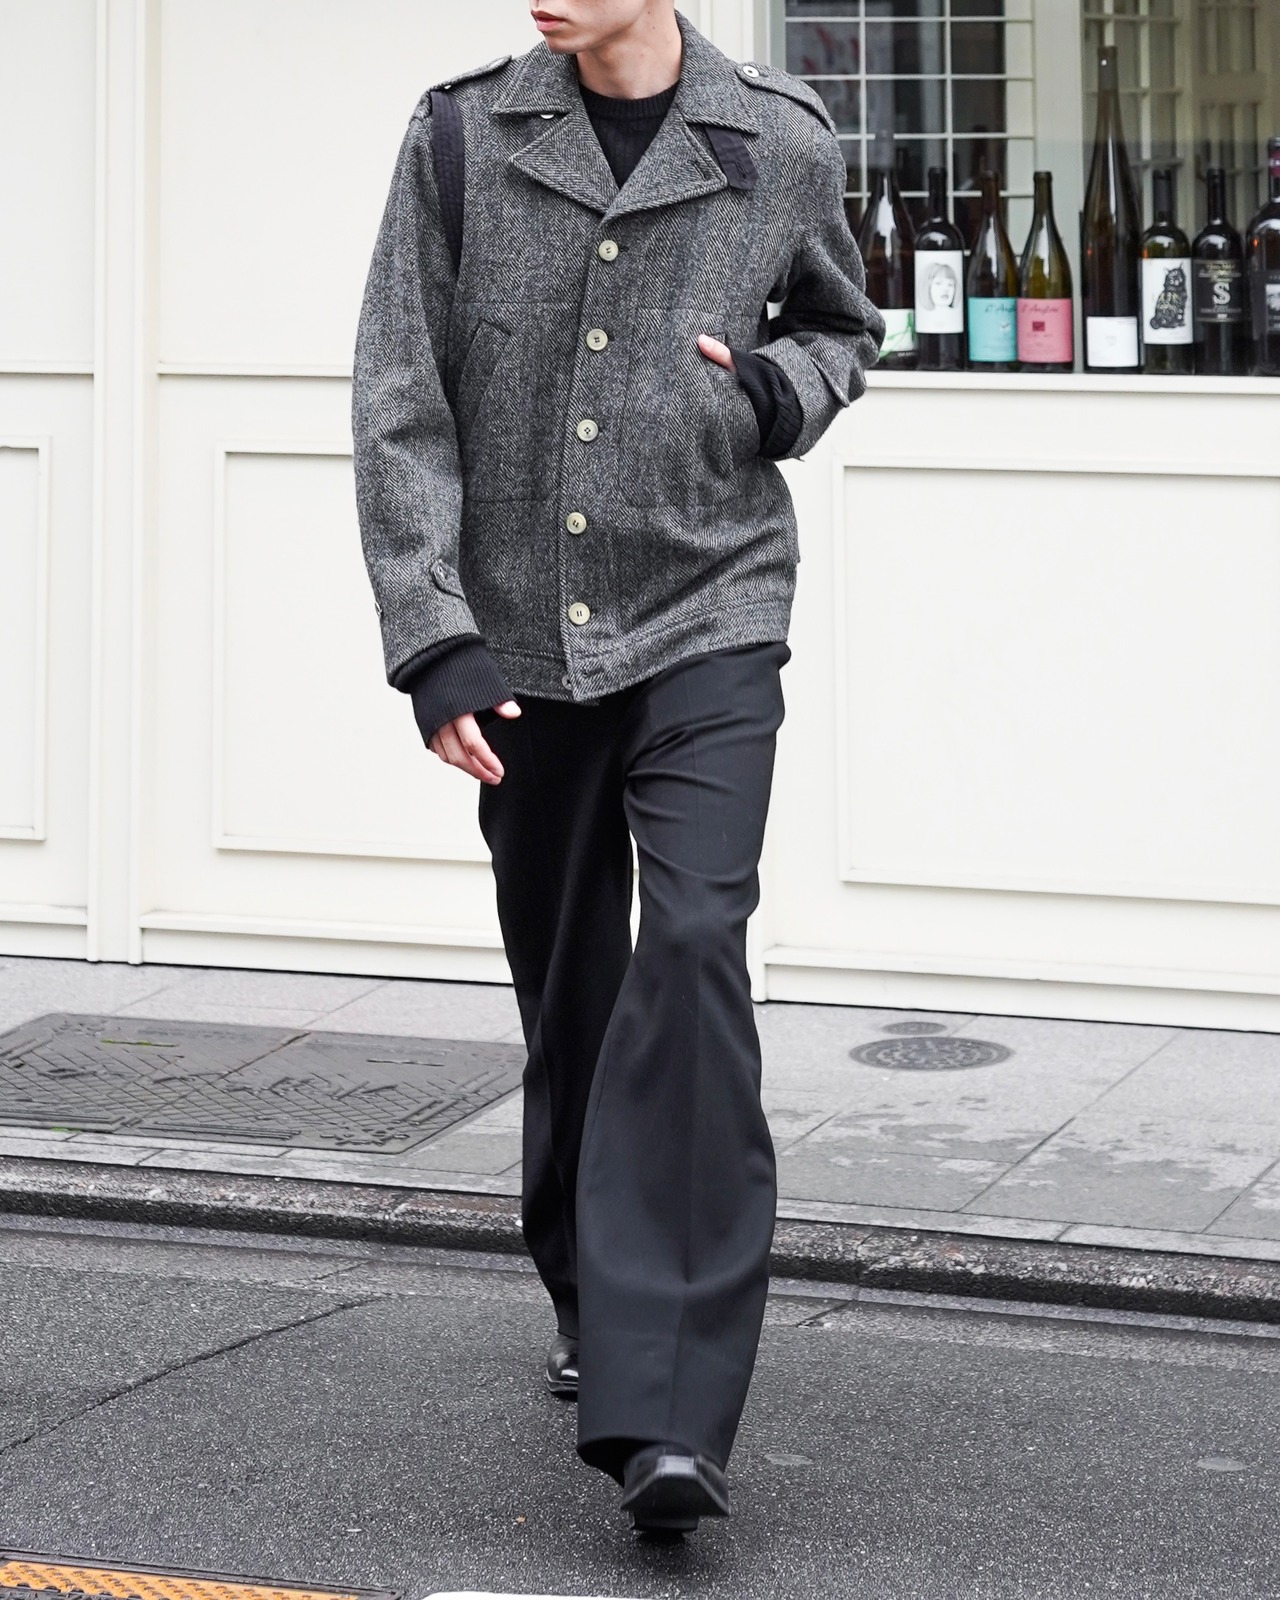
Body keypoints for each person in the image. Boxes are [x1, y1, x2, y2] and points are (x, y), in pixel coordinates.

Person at [352, 0, 882, 1537]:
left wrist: (775, 392)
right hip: (524, 639)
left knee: (696, 944)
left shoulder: (778, 138)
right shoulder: (461, 136)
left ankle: (669, 1408)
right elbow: (399, 396)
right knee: (571, 982)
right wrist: (434, 638)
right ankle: (592, 1287)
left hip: (714, 607)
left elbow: (840, 329)